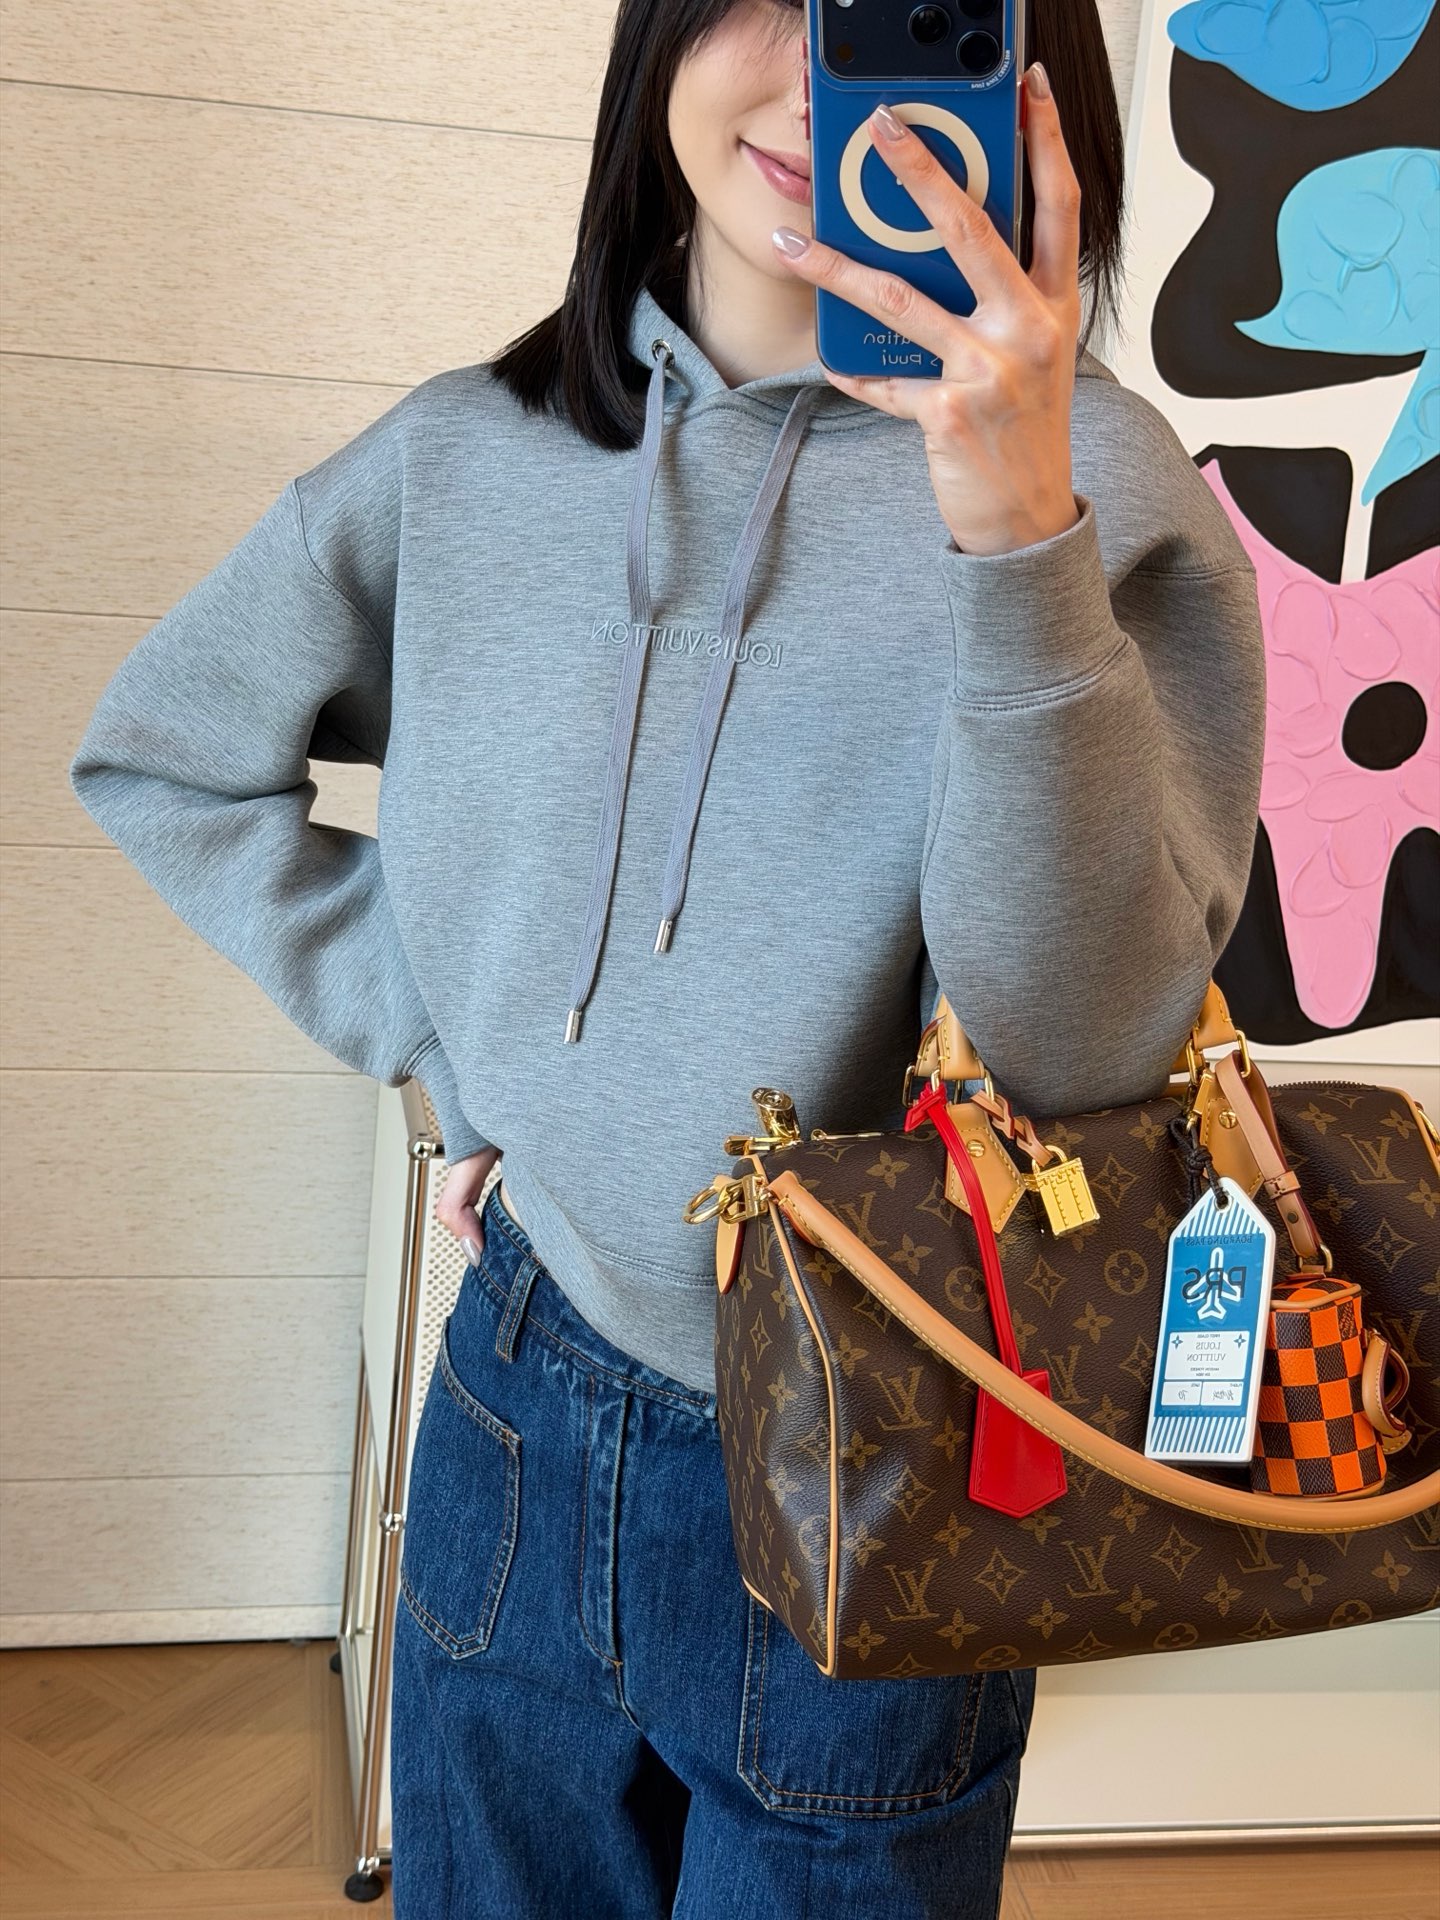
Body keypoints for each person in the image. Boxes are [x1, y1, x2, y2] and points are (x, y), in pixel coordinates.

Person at [68, 0, 1266, 1911]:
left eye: (892, 14)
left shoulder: (1103, 494)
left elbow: (1083, 1046)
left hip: (892, 1444)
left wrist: (1015, 540)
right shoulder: (464, 456)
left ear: (1027, 81)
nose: (814, 83)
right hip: (519, 1401)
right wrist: (448, 1048)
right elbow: (169, 760)